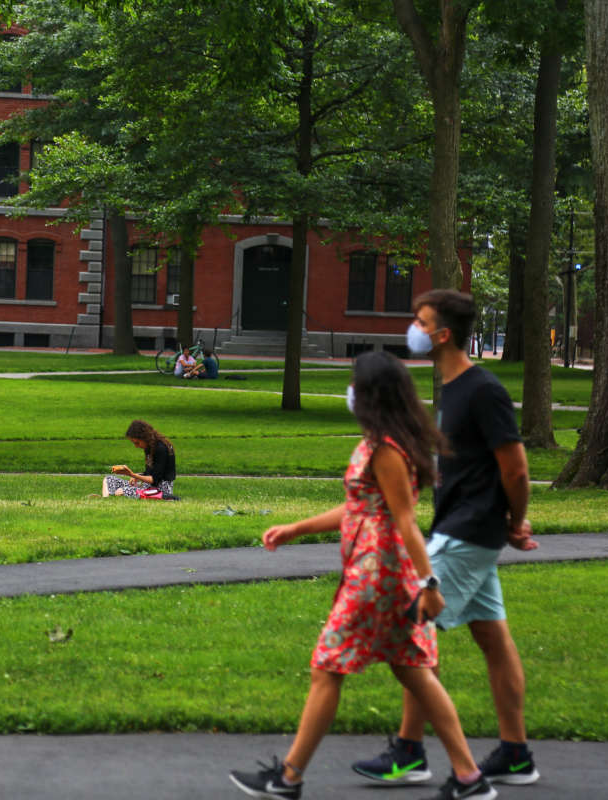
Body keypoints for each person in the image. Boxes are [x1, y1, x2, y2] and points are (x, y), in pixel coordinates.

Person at [229, 351, 494, 800]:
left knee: (327, 666)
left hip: (377, 578)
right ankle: (469, 778)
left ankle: (289, 777)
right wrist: (297, 528)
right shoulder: (381, 442)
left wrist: (430, 584)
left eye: (355, 382)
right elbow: (361, 507)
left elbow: (405, 520)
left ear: (371, 393)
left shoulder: (386, 448)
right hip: (382, 575)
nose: (349, 390)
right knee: (415, 672)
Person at [350, 288, 539, 788]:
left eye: (420, 320)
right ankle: (516, 754)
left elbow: (516, 469)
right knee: (493, 639)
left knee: (414, 629)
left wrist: (516, 521)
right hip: (461, 525)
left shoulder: (482, 390)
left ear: (443, 333)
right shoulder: (451, 389)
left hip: (468, 531)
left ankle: (411, 751)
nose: (413, 327)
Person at [102, 419, 176, 498]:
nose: (136, 446)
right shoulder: (149, 447)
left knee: (121, 491)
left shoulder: (160, 448)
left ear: (145, 437)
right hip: (147, 486)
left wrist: (132, 474)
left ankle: (111, 496)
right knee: (108, 479)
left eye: (137, 442)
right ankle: (105, 499)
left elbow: (154, 479)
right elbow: (150, 472)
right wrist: (138, 475)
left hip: (159, 490)